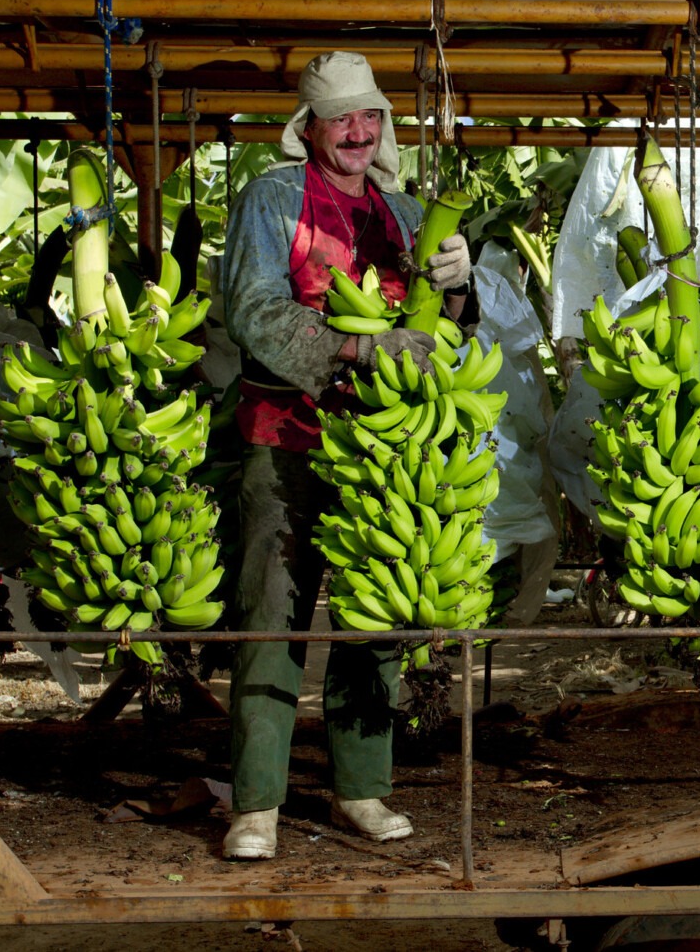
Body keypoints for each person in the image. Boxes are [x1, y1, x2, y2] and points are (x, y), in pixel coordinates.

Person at [217, 51, 472, 860]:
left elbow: (446, 329)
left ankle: (361, 789)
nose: (359, 132)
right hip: (285, 434)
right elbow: (253, 311)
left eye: (371, 117)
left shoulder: (406, 213)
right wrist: (360, 349)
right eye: (342, 118)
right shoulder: (273, 198)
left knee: (377, 613)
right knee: (273, 611)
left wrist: (461, 282)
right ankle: (256, 803)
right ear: (311, 126)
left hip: (383, 443)